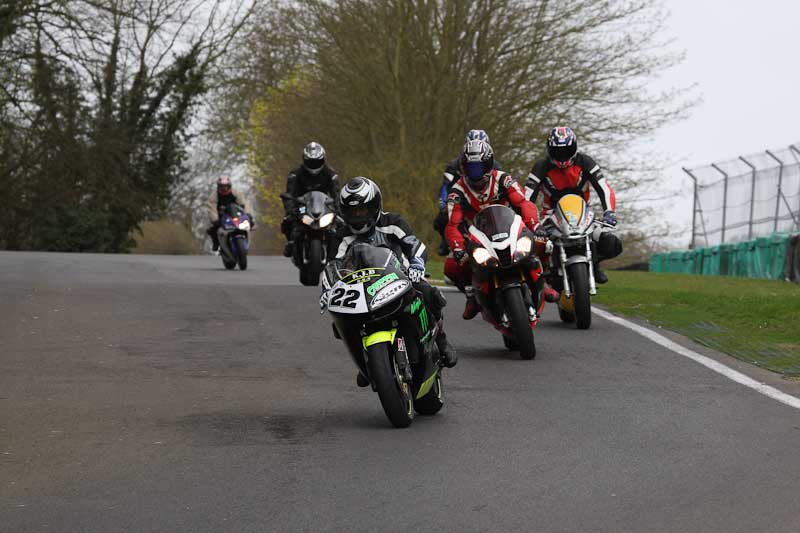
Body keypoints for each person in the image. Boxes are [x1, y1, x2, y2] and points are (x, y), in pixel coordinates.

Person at [325, 177, 457, 379]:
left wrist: (416, 264)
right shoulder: (340, 236)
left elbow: (415, 245)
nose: (358, 216)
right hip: (361, 288)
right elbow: (332, 265)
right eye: (352, 212)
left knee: (430, 293)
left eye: (362, 210)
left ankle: (441, 340)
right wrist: (328, 289)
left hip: (400, 277)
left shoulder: (393, 222)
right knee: (339, 319)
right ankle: (366, 361)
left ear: (375, 206)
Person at [444, 138, 543, 319]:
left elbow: (523, 203)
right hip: (477, 237)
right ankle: (472, 294)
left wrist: (534, 225)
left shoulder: (504, 179)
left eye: (479, 167)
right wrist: (457, 247)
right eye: (471, 168)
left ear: (488, 164)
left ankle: (545, 282)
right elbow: (453, 225)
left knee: (542, 242)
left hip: (510, 228)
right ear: (464, 168)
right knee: (451, 266)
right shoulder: (456, 192)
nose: (475, 173)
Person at [524, 127, 622, 283]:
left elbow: (604, 187)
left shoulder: (586, 162)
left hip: (584, 215)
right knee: (534, 244)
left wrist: (609, 212)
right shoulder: (541, 167)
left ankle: (595, 265)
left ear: (574, 148)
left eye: (567, 150)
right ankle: (545, 271)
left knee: (611, 242)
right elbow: (527, 197)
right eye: (558, 151)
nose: (562, 156)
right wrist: (529, 222)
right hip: (550, 216)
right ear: (550, 150)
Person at [433, 129, 502, 256]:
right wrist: (444, 203)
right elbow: (445, 186)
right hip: (462, 200)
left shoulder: (496, 167)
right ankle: (448, 242)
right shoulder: (454, 165)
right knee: (442, 218)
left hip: (487, 203)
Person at [281, 142, 340, 258]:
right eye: (311, 162)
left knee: (340, 225)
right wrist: (290, 208)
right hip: (302, 207)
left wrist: (338, 210)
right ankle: (290, 243)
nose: (314, 165)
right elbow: (289, 193)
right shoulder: (295, 174)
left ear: (322, 159)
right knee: (287, 221)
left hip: (324, 207)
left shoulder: (331, 174)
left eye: (316, 162)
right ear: (305, 160)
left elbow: (336, 193)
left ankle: (339, 252)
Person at [206, 176, 244, 252]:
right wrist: (215, 219)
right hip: (220, 215)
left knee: (249, 223)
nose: (224, 188)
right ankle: (216, 243)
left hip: (235, 214)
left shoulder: (237, 193)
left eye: (226, 186)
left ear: (229, 186)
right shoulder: (213, 196)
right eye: (222, 186)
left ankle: (244, 238)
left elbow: (243, 204)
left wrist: (247, 215)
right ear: (218, 186)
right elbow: (211, 208)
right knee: (212, 229)